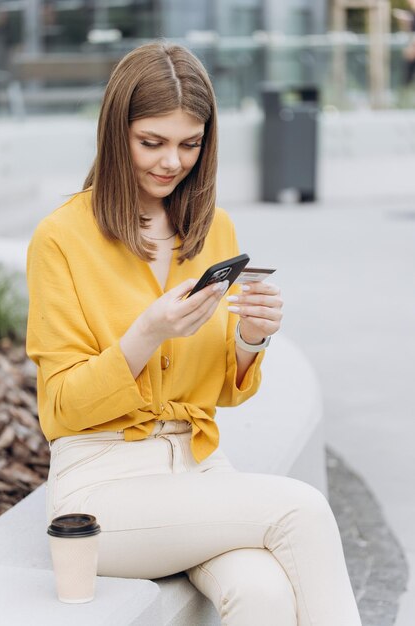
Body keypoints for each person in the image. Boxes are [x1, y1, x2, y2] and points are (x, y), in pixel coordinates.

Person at [26, 41, 362, 625]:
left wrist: (251, 340)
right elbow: (61, 409)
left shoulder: (214, 229)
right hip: (102, 481)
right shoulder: (61, 238)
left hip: (199, 466)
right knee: (303, 510)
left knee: (264, 596)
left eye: (190, 144)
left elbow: (226, 393)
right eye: (151, 142)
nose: (171, 162)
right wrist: (145, 334)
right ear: (115, 134)